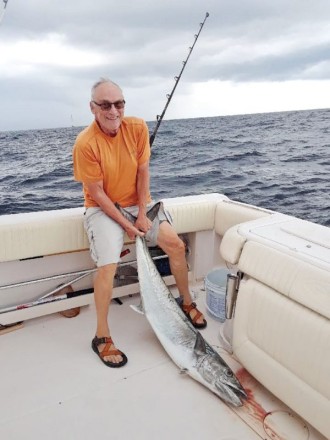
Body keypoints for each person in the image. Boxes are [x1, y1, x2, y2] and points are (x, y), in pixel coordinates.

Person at [73, 78, 207, 368]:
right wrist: (127, 224)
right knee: (108, 265)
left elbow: (143, 171)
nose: (113, 110)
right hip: (101, 207)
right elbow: (96, 192)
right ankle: (101, 336)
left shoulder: (137, 127)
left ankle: (186, 302)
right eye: (105, 104)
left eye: (118, 103)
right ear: (92, 107)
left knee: (176, 246)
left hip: (138, 204)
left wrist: (143, 213)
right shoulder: (86, 143)